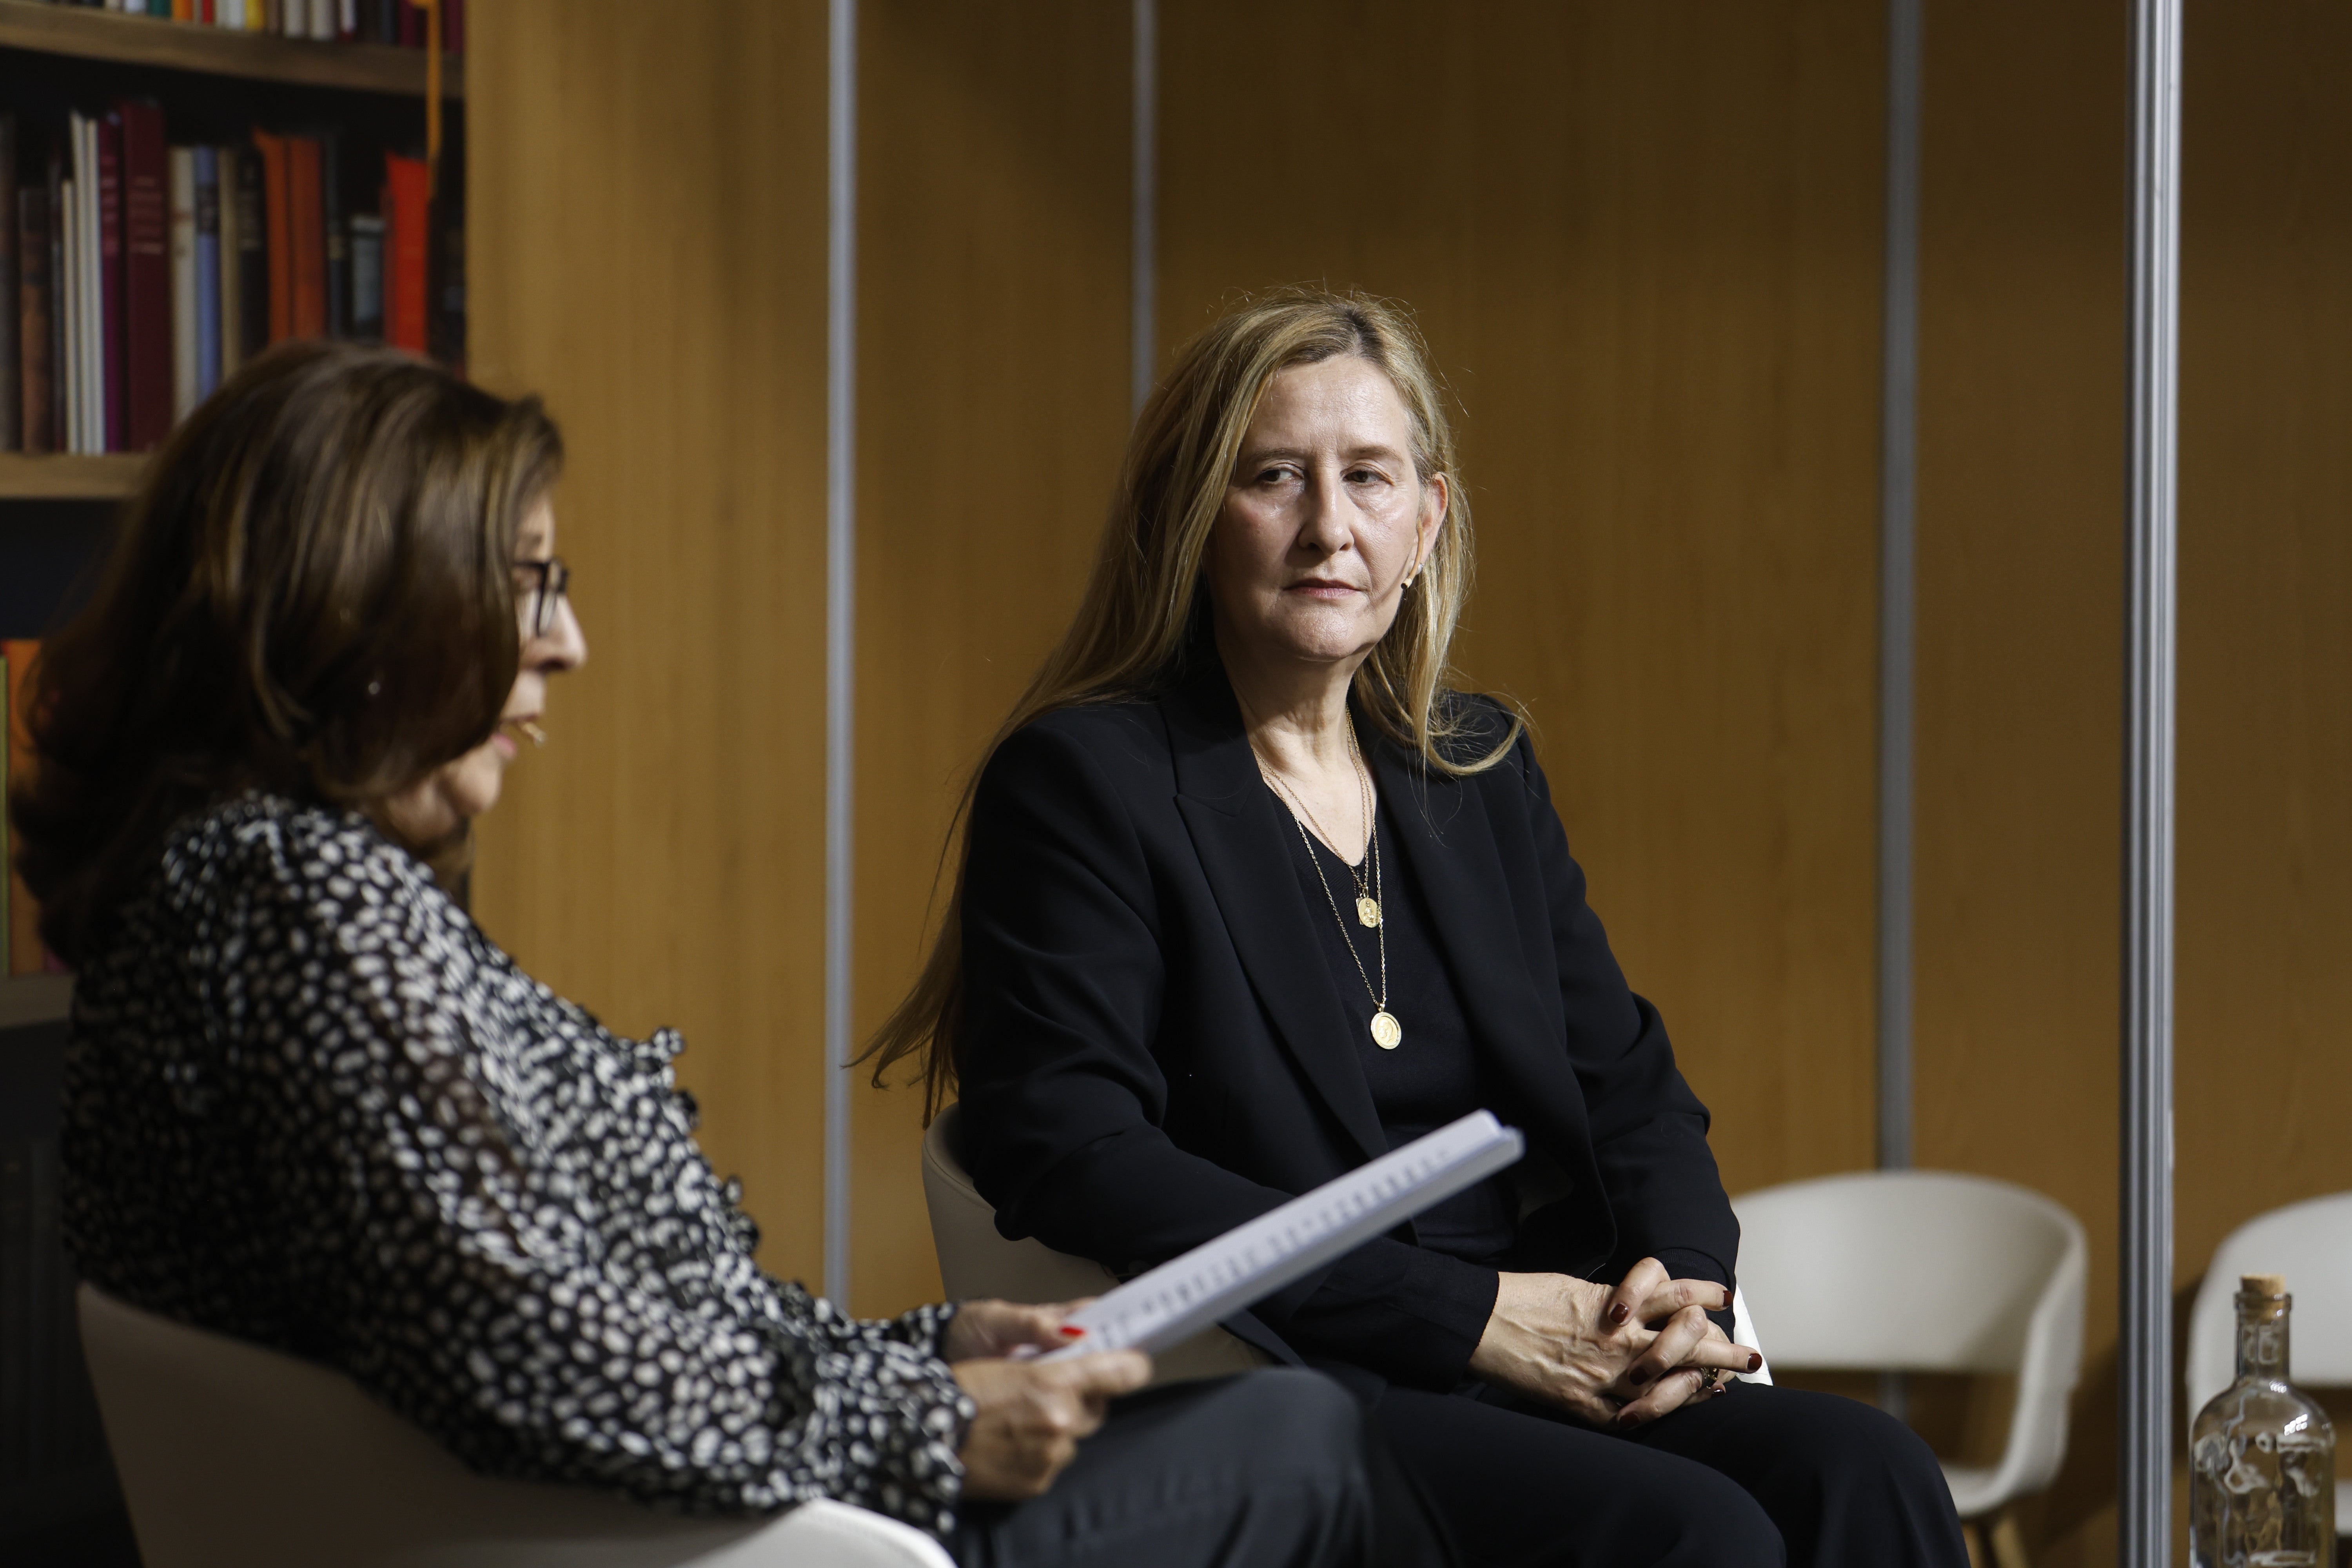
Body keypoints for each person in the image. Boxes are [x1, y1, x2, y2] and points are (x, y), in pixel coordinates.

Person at [12, 341, 1444, 1568]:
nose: (566, 641)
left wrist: (922, 1353)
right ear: (358, 606)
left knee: (1299, 1431)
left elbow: (567, 1315)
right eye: (521, 582)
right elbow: (523, 1344)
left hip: (668, 1502)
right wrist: (930, 1419)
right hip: (662, 1544)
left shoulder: (248, 888)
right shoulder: (294, 910)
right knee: (1308, 1439)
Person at [867, 289, 1972, 1568]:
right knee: (1699, 1536)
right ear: (1194, 518)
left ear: (1426, 520)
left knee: (1874, 1475)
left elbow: (1629, 1088)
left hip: (1555, 1344)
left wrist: (1681, 1287)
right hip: (1307, 1377)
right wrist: (1470, 1318)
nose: (1329, 527)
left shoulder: (1477, 773)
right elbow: (1076, 1147)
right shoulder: (1084, 782)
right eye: (1275, 478)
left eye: (1371, 479)